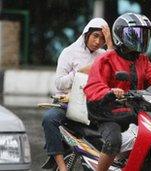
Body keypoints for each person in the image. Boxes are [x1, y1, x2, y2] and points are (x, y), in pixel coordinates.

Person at [83, 13, 151, 171]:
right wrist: (110, 91)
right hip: (107, 112)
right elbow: (93, 86)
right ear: (121, 35)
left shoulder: (142, 60)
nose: (141, 39)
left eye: (144, 35)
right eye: (135, 35)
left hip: (132, 110)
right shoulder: (106, 59)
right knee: (114, 141)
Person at [41, 18, 113, 171]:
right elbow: (59, 84)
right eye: (95, 36)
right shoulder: (69, 52)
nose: (97, 42)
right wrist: (79, 73)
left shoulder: (103, 55)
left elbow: (113, 63)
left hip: (91, 108)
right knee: (49, 118)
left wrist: (110, 43)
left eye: (102, 38)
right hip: (68, 105)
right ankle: (62, 167)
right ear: (86, 34)